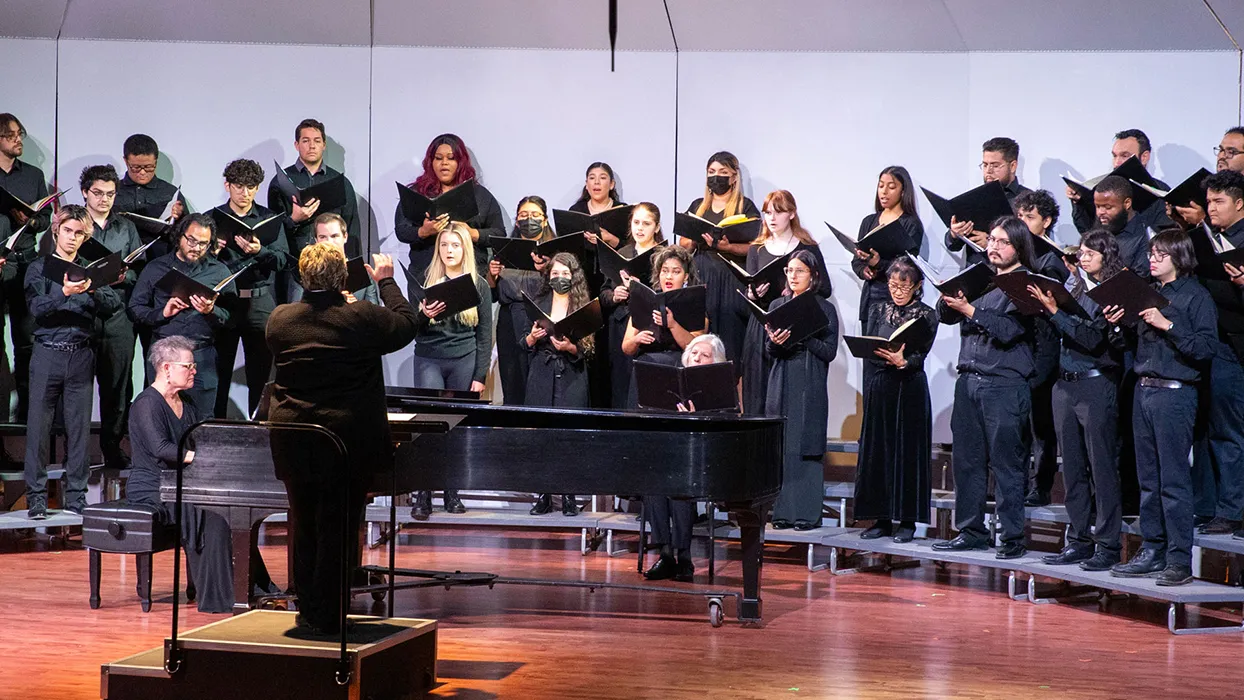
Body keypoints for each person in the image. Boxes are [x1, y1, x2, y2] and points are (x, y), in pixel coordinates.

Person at [266, 244, 417, 634]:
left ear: (303, 278)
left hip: (294, 437)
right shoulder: (360, 318)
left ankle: (309, 611)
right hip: (345, 439)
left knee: (303, 523)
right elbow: (406, 323)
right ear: (344, 278)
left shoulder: (280, 320)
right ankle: (330, 617)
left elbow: (312, 318)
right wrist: (385, 282)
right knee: (338, 526)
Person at [1104, 230, 1218, 586]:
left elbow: (1205, 347)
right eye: (1151, 253)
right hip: (1144, 390)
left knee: (1173, 480)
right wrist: (1118, 324)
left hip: (1175, 392)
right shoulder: (1148, 294)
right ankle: (1152, 549)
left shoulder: (1196, 295)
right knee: (1148, 480)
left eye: (1159, 254)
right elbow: (1132, 343)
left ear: (1178, 258)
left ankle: (1179, 559)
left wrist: (1166, 324)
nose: (1151, 259)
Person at [934, 217, 1048, 559]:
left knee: (1007, 464)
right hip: (969, 378)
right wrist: (947, 298)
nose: (993, 247)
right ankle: (971, 530)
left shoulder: (1026, 285)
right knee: (967, 462)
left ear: (1018, 248)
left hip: (1004, 384)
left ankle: (1012, 536)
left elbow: (1009, 330)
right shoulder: (980, 278)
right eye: (992, 240)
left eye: (1002, 242)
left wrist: (969, 309)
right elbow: (946, 315)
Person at [1029, 229, 1125, 571]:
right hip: (1065, 386)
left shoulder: (1111, 293)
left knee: (1102, 468)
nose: (1081, 258)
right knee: (1071, 469)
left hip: (1096, 385)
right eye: (1080, 252)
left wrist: (1055, 313)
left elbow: (1091, 338)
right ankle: (1079, 540)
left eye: (1089, 253)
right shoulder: (1076, 288)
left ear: (1106, 257)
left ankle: (1108, 545)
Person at [23, 205, 122, 518]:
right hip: (47, 352)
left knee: (78, 432)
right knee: (38, 430)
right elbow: (37, 307)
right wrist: (64, 292)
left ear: (85, 237)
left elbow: (112, 306)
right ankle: (37, 499)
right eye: (68, 230)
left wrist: (91, 288)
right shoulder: (39, 268)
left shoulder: (89, 271)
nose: (72, 238)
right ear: (56, 231)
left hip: (80, 354)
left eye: (79, 233)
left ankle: (76, 499)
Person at [127, 335, 235, 613]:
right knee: (211, 513)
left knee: (228, 510)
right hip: (153, 486)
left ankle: (242, 587)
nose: (194, 371)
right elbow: (161, 448)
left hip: (181, 483)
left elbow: (199, 438)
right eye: (188, 366)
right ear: (165, 368)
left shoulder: (186, 401)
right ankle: (217, 596)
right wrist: (200, 458)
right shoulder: (146, 404)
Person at [410, 223, 492, 519]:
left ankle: (451, 492)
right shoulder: (426, 278)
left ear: (464, 249)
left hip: (463, 359)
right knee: (428, 424)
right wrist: (422, 315)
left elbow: (485, 334)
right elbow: (410, 327)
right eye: (444, 245)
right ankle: (423, 493)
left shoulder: (478, 284)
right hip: (430, 357)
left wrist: (479, 376)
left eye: (455, 245)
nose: (449, 250)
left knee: (455, 426)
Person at [854, 257, 936, 543]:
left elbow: (922, 354)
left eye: (904, 286)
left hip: (909, 385)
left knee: (908, 452)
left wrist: (904, 361)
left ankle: (908, 521)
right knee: (880, 450)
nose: (897, 291)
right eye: (892, 285)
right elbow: (871, 342)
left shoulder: (927, 314)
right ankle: (881, 518)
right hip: (882, 383)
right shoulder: (877, 308)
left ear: (917, 286)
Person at [642, 333, 733, 582]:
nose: (697, 358)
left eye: (704, 356)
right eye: (694, 353)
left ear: (714, 363)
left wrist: (697, 418)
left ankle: (684, 556)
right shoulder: (670, 383)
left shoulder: (720, 390)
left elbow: (724, 431)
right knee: (654, 481)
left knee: (680, 485)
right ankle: (665, 553)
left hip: (703, 461)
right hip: (672, 457)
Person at [128, 214, 237, 418]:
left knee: (201, 421)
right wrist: (163, 313)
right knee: (160, 418)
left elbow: (232, 318)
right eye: (192, 240)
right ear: (180, 236)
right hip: (164, 355)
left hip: (201, 356)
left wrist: (211, 311)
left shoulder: (219, 271)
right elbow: (135, 308)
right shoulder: (155, 268)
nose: (196, 247)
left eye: (203, 244)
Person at [764, 250, 838, 530]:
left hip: (809, 381)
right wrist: (776, 341)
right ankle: (782, 512)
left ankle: (807, 514)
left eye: (800, 271)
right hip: (782, 378)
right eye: (789, 270)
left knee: (806, 447)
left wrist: (803, 336)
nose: (793, 276)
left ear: (813, 276)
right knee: (783, 446)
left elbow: (829, 352)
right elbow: (769, 350)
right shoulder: (777, 303)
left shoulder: (824, 308)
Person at [739, 190, 830, 415]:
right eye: (768, 212)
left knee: (786, 392)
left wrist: (795, 289)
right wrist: (753, 294)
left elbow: (825, 288)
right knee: (759, 390)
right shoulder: (757, 248)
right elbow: (749, 286)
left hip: (794, 326)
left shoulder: (806, 247)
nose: (771, 218)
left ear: (791, 214)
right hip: (762, 326)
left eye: (778, 212)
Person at [212, 159, 291, 418]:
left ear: (257, 188)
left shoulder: (269, 219)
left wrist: (260, 251)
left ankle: (259, 437)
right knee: (219, 372)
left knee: (260, 375)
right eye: (238, 186)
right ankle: (216, 434)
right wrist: (214, 250)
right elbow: (196, 261)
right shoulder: (213, 218)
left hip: (260, 301)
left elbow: (282, 260)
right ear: (227, 185)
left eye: (250, 187)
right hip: (226, 301)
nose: (244, 193)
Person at [1190, 170, 1244, 536]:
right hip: (1211, 346)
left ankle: (1233, 510)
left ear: (1240, 204)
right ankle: (1207, 505)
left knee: (1230, 433)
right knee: (1206, 431)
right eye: (1209, 201)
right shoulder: (1211, 239)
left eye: (1219, 202)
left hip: (1235, 347)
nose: (1211, 209)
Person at [79, 164, 143, 470]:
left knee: (118, 385)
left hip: (118, 313)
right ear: (85, 193)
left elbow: (138, 270)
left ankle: (113, 447)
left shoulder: (125, 227)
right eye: (98, 193)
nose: (104, 199)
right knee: (78, 385)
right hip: (84, 312)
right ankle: (75, 451)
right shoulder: (73, 223)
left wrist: (122, 276)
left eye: (110, 194)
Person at [522, 252, 594, 516]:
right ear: (548, 276)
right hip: (542, 373)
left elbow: (588, 350)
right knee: (541, 437)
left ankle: (568, 496)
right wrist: (531, 338)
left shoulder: (581, 304)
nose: (560, 278)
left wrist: (570, 347)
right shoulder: (538, 302)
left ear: (573, 277)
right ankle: (543, 495)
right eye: (555, 273)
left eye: (565, 274)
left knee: (568, 438)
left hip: (572, 375)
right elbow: (523, 343)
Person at [680, 152, 763, 371]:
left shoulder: (745, 207)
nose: (716, 177)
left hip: (731, 279)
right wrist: (693, 237)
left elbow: (757, 246)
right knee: (700, 337)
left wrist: (729, 247)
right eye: (712, 172)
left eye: (723, 173)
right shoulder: (699, 206)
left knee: (731, 343)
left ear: (734, 177)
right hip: (702, 276)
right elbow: (683, 245)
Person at [1012, 189, 1067, 507]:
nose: (1022, 222)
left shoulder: (1051, 260)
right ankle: (1015, 481)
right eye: (1019, 216)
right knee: (1015, 418)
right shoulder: (1012, 253)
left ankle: (1040, 485)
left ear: (1046, 222)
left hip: (1044, 345)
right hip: (1019, 343)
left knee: (1040, 421)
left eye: (1029, 217)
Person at [267, 118, 360, 302]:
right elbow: (272, 232)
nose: (312, 146)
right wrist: (294, 219)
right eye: (306, 141)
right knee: (297, 321)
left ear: (324, 145)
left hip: (334, 267)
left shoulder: (340, 182)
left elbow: (352, 228)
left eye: (317, 141)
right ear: (296, 144)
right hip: (296, 269)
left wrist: (354, 270)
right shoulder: (281, 181)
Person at [394, 133, 505, 279]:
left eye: (451, 158)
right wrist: (423, 231)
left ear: (461, 162)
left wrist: (472, 233)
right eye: (438, 158)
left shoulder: (478, 195)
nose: (444, 163)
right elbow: (401, 230)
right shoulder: (417, 193)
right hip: (425, 274)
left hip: (469, 275)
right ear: (430, 162)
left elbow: (499, 234)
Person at [0, 113, 49, 421]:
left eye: (20, 134)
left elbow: (44, 218)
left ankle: (27, 415)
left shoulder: (32, 175)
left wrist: (29, 219)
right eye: (12, 135)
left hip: (25, 262)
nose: (19, 140)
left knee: (27, 340)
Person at [487, 196, 552, 406]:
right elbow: (493, 295)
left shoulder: (554, 250)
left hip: (540, 318)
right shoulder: (504, 249)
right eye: (524, 215)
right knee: (512, 377)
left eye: (535, 215)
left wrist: (547, 270)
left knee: (537, 378)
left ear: (544, 220)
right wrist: (492, 276)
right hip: (509, 320)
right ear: (516, 221)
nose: (529, 219)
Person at [622, 245, 705, 407]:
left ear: (686, 276)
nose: (669, 276)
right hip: (646, 370)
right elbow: (626, 347)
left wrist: (673, 325)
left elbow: (696, 346)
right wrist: (637, 339)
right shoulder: (644, 301)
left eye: (676, 272)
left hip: (677, 370)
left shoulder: (694, 303)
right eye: (664, 271)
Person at [600, 202, 664, 408]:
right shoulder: (622, 252)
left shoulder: (664, 255)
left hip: (649, 325)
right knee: (620, 379)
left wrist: (638, 288)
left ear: (657, 226)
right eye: (636, 222)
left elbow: (668, 292)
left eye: (646, 223)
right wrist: (614, 295)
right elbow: (603, 293)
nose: (640, 228)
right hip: (620, 324)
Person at [850, 166, 925, 327]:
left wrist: (878, 263)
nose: (884, 191)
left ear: (903, 191)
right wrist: (864, 270)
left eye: (891, 187)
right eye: (881, 185)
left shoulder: (911, 224)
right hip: (871, 297)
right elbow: (856, 261)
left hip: (897, 299)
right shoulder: (868, 221)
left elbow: (910, 266)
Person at [945, 137, 1029, 266]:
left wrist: (991, 243)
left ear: (1013, 166)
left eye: (995, 165)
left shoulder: (1029, 199)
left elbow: (1033, 248)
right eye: (985, 165)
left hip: (1010, 278)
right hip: (974, 275)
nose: (988, 171)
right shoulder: (975, 197)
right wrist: (954, 234)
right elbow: (952, 245)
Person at [1068, 129, 1171, 233]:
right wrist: (1079, 202)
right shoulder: (1104, 188)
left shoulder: (1161, 193)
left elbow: (1165, 237)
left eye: (1124, 155)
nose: (1117, 163)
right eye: (1114, 156)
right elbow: (1088, 232)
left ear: (1144, 157)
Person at [1091, 175, 1151, 277]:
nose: (1100, 212)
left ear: (1127, 203)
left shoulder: (1145, 234)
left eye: (1108, 207)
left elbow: (1142, 280)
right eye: (1097, 206)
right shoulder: (1101, 224)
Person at [313, 213, 377, 304]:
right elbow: (298, 313)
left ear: (345, 237)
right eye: (322, 237)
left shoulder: (361, 271)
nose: (329, 242)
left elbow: (375, 314)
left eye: (334, 236)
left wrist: (356, 307)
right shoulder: (308, 273)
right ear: (316, 240)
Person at [569, 161, 625, 248]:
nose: (596, 182)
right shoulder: (576, 211)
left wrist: (610, 239)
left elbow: (631, 249)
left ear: (611, 184)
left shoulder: (623, 210)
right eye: (592, 178)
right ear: (587, 184)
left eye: (602, 178)